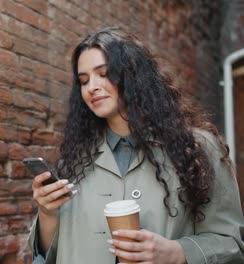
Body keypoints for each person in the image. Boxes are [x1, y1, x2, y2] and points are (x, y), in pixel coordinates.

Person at [28, 27, 244, 264]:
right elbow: (49, 254)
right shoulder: (74, 160)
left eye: (104, 73)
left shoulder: (197, 149)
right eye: (84, 80)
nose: (92, 87)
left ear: (133, 75)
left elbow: (231, 243)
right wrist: (47, 213)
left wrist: (176, 252)